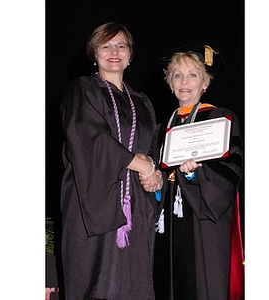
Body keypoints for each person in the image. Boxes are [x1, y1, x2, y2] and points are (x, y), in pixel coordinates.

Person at [60, 22, 162, 300]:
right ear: (94, 53)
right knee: (98, 284)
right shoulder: (82, 90)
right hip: (93, 205)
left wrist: (155, 174)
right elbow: (87, 137)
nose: (114, 51)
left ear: (131, 55)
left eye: (121, 46)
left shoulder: (142, 102)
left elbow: (151, 150)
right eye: (106, 46)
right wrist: (139, 164)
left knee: (136, 282)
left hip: (136, 211)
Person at [141, 43, 244, 300]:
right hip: (168, 228)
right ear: (170, 83)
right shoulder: (160, 130)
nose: (184, 81)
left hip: (204, 226)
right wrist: (153, 186)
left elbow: (231, 172)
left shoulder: (220, 120)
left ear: (205, 83)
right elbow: (157, 179)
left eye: (193, 75)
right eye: (177, 75)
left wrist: (194, 175)